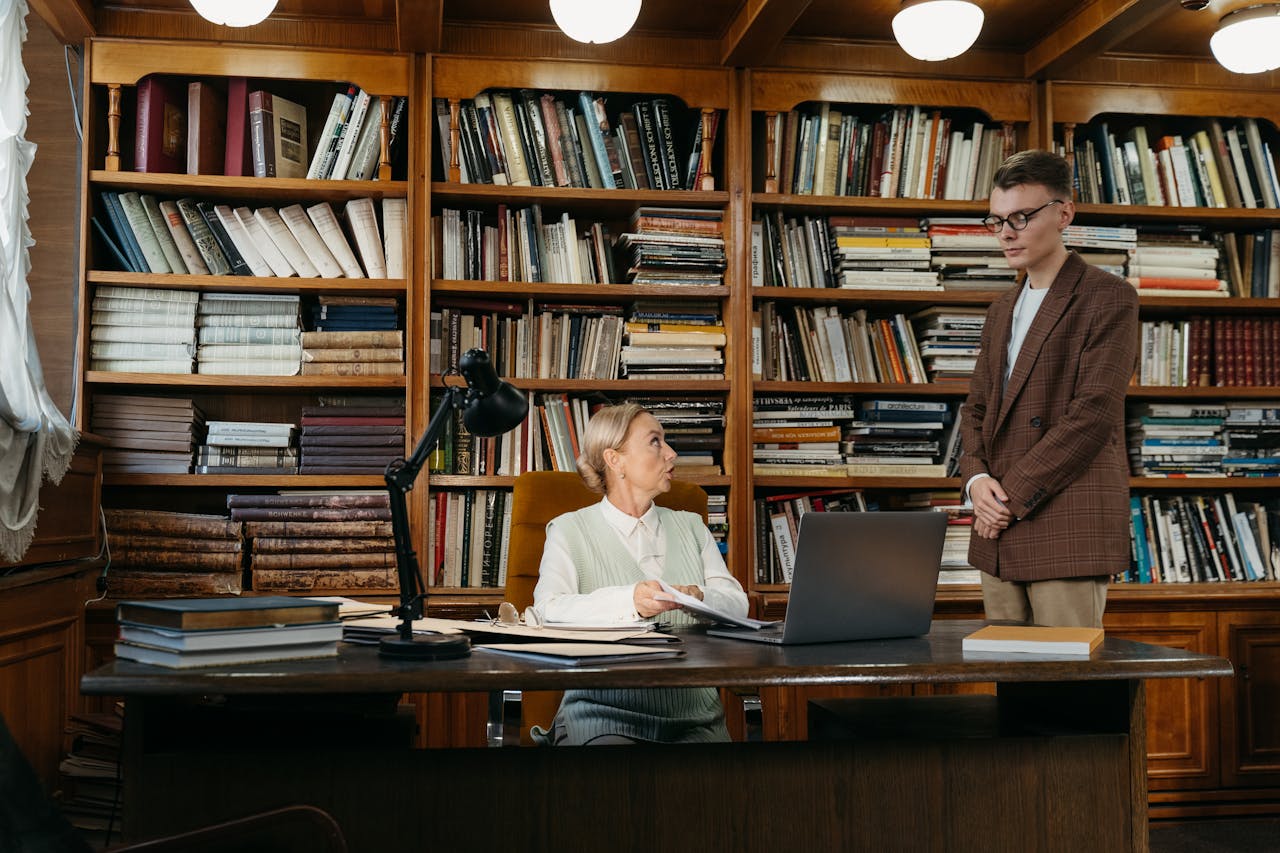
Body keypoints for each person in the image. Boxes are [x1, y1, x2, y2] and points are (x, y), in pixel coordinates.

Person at [959, 149, 1139, 628]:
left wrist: (1005, 500)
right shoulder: (1001, 308)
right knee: (1010, 690)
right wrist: (977, 482)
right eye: (996, 220)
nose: (1006, 233)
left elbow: (1093, 414)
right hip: (996, 529)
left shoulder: (1108, 295)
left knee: (1068, 692)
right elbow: (974, 409)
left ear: (1064, 213)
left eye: (1021, 216)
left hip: (1065, 521)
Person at [531, 402, 748, 745]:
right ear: (615, 460)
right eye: (655, 442)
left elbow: (738, 605)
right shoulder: (569, 530)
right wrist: (630, 601)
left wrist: (700, 597)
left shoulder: (691, 526)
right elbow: (547, 611)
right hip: (601, 714)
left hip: (696, 718)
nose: (672, 454)